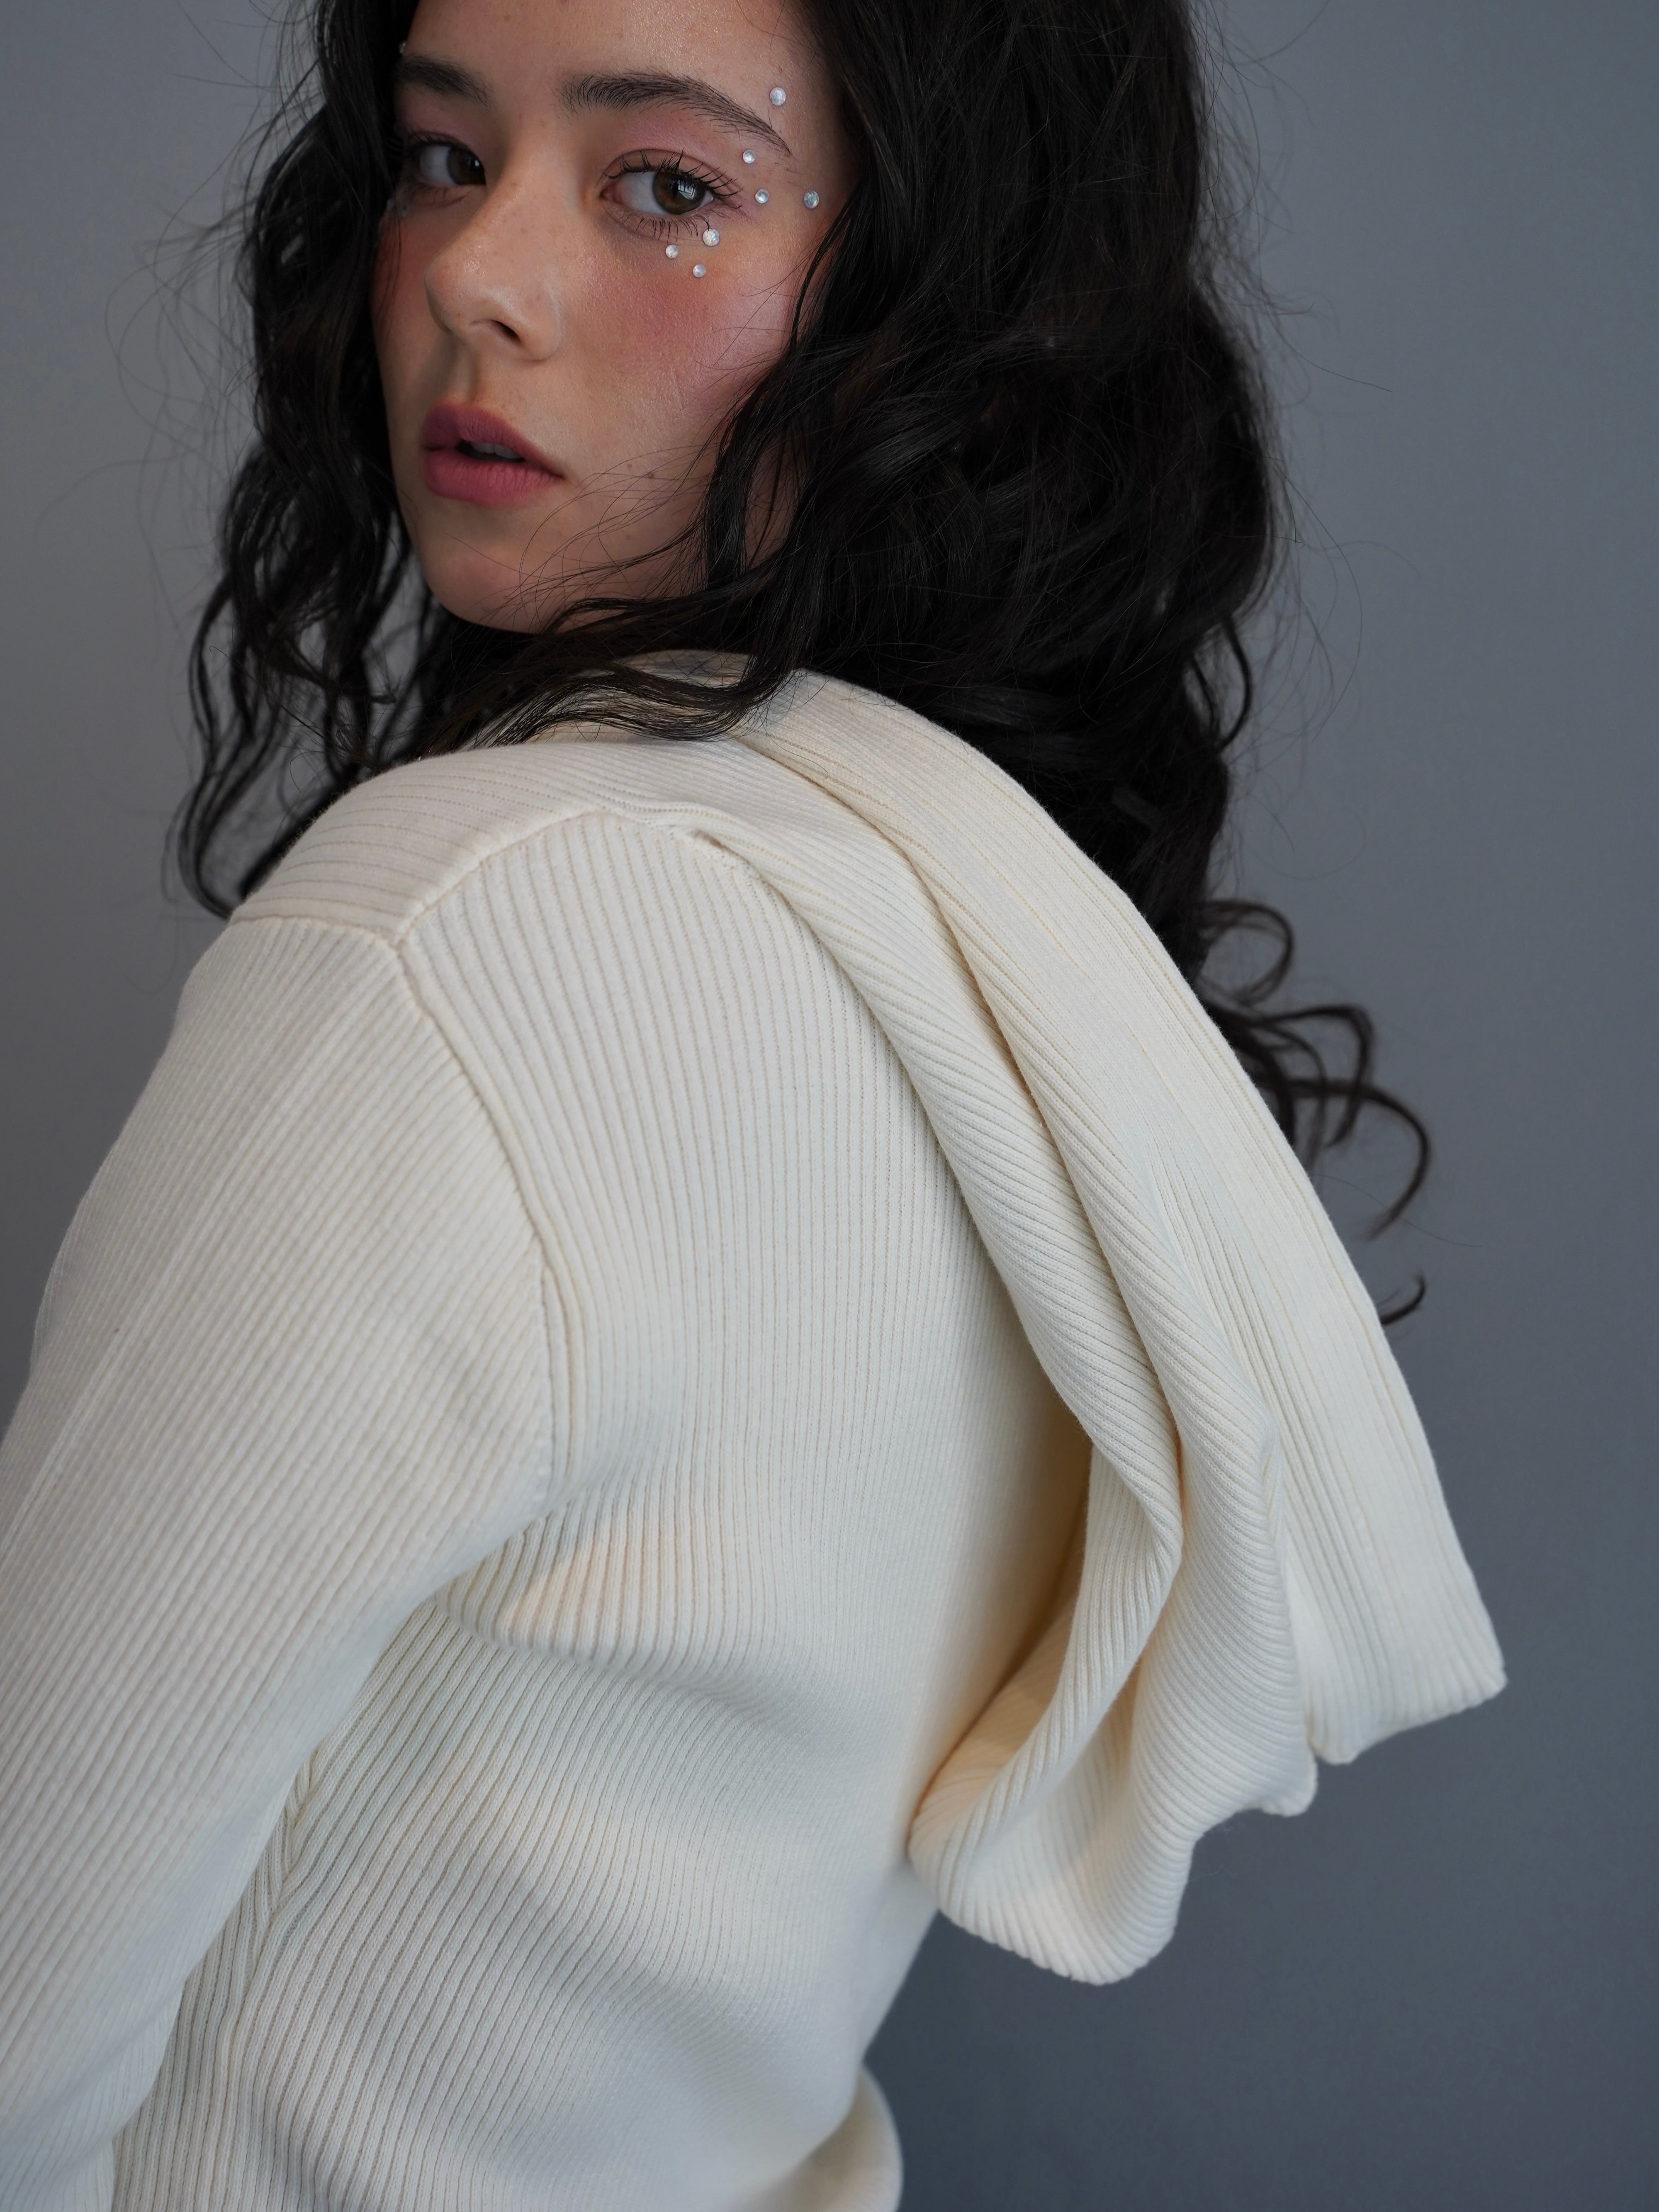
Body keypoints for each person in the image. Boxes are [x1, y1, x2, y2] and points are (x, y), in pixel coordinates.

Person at [0, 0, 1504, 2205]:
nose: (478, 275)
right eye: (443, 155)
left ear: (944, 290)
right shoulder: (980, 952)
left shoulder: (458, 946)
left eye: (667, 186)